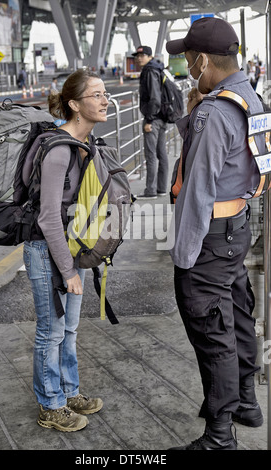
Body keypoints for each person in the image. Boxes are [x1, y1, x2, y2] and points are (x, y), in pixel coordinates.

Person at [166, 17, 264, 450]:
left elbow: (198, 189)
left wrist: (183, 258)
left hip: (209, 234)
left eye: (189, 59)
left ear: (202, 59)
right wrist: (194, 115)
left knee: (212, 328)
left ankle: (220, 435)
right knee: (238, 314)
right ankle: (247, 401)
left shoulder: (214, 110)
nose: (188, 67)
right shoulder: (249, 98)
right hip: (237, 225)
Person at [23, 69, 110, 432]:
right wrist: (70, 270)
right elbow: (47, 218)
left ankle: (68, 391)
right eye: (96, 95)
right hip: (47, 251)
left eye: (106, 94)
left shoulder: (84, 143)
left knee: (69, 329)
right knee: (51, 331)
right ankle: (50, 406)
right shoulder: (59, 151)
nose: (105, 101)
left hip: (69, 248)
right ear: (75, 105)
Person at [132, 45, 168, 199]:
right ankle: (161, 188)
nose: (139, 58)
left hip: (153, 119)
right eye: (137, 56)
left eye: (142, 56)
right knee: (161, 153)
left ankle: (151, 190)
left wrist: (149, 119)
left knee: (151, 155)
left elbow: (154, 98)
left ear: (149, 56)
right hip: (163, 117)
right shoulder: (157, 68)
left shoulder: (150, 71)